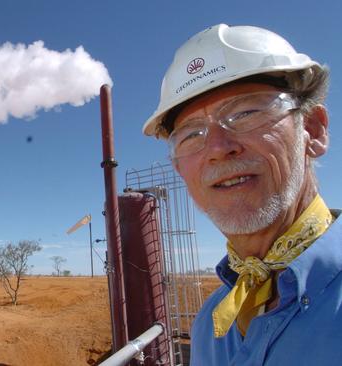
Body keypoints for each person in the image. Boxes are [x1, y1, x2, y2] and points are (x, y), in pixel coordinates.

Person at [142, 24, 341, 365]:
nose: (218, 148)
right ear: (180, 169)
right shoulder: (211, 324)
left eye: (246, 113)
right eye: (191, 135)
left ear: (313, 130)